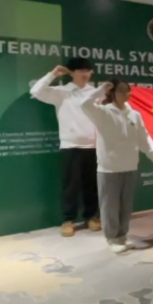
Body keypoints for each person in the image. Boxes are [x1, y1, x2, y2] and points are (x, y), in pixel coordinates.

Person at [79, 79, 153, 254]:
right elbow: (84, 104)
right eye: (121, 91)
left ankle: (122, 237)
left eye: (128, 91)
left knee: (126, 206)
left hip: (130, 166)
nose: (126, 94)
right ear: (112, 93)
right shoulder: (102, 112)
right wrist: (101, 89)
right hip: (109, 168)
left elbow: (143, 140)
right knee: (110, 206)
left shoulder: (135, 115)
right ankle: (111, 238)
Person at [30, 58, 101, 237]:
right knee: (71, 186)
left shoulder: (96, 93)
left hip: (93, 146)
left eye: (88, 71)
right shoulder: (62, 92)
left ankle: (92, 216)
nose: (85, 74)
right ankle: (68, 220)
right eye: (81, 70)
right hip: (70, 146)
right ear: (72, 72)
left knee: (91, 184)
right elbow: (36, 91)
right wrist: (53, 74)